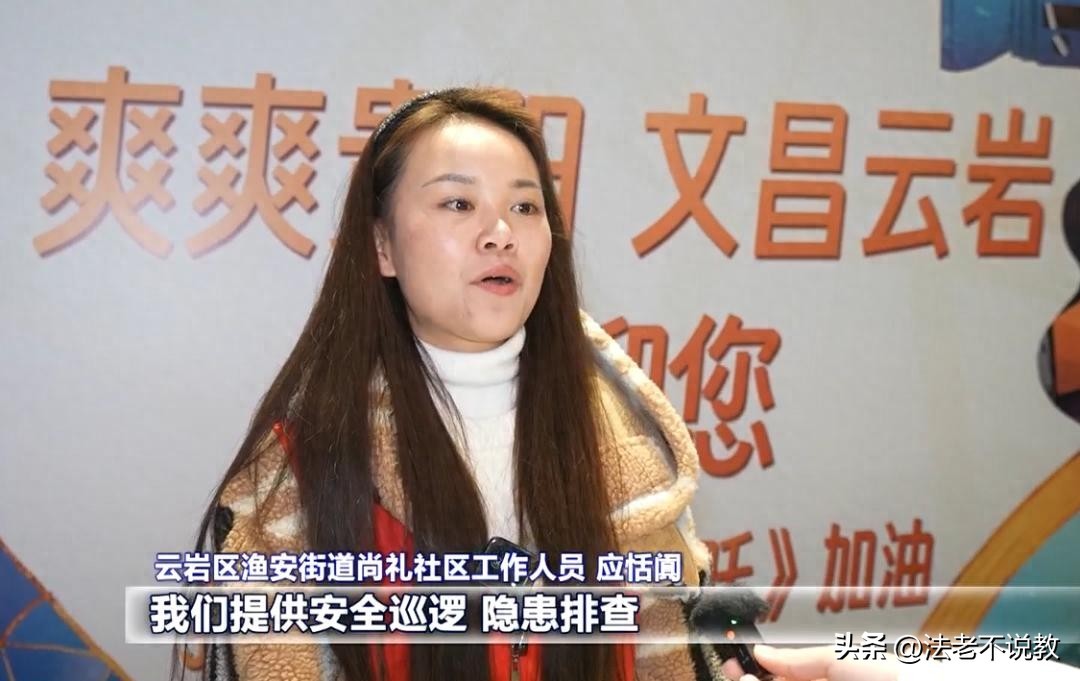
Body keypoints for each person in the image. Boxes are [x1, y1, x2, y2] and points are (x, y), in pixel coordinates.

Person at [174, 87, 733, 681]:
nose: (500, 234)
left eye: (526, 207)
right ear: (382, 246)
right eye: (458, 203)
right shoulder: (297, 469)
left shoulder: (631, 457)